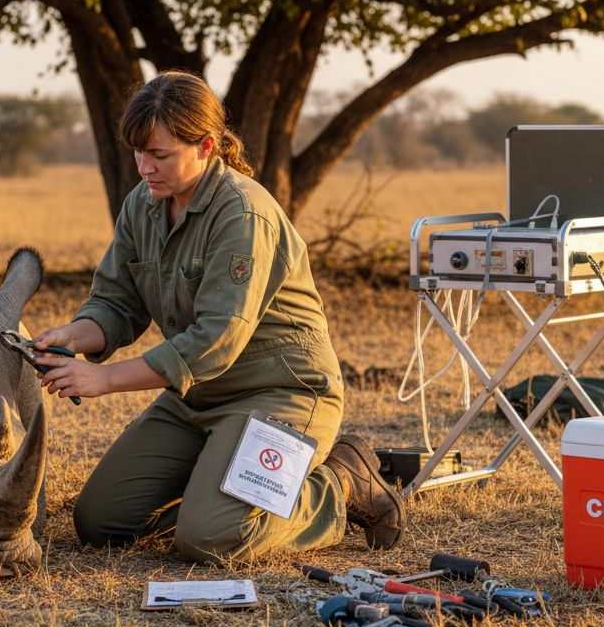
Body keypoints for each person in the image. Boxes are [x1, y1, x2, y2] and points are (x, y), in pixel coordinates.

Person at [31, 71, 405, 563]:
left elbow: (216, 338)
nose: (144, 167)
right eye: (138, 152)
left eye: (160, 154)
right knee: (101, 522)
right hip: (196, 397)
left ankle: (338, 485)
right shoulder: (142, 206)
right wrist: (71, 336)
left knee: (211, 539)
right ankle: (225, 490)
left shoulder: (243, 213)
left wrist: (102, 379)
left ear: (206, 146)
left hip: (282, 393)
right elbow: (115, 304)